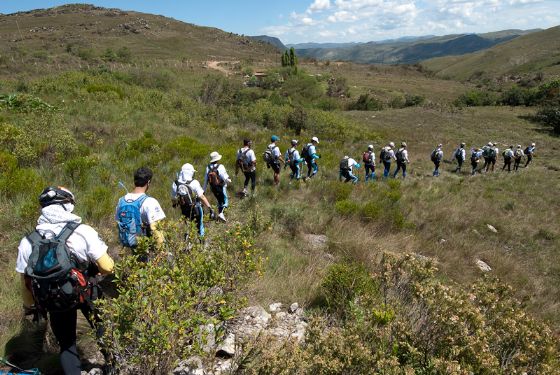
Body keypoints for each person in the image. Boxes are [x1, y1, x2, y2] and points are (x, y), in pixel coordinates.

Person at [16, 187, 115, 375]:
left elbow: (26, 280)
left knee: (67, 345)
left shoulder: (27, 241)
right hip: (87, 291)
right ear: (67, 205)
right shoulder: (82, 231)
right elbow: (107, 267)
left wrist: (29, 305)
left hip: (53, 298)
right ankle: (113, 366)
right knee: (102, 329)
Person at [116, 167, 165, 250]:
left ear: (135, 181)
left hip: (131, 246)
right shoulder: (150, 202)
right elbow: (156, 229)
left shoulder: (121, 201)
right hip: (146, 247)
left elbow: (118, 221)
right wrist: (162, 251)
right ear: (148, 182)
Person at [172, 163, 215, 238]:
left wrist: (175, 204)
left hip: (184, 210)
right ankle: (201, 243)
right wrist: (210, 208)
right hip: (196, 209)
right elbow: (202, 196)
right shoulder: (194, 182)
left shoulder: (175, 184)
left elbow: (173, 199)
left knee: (188, 227)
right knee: (200, 227)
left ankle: (188, 242)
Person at [203, 151, 231, 222]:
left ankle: (220, 214)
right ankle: (221, 214)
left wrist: (204, 190)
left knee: (219, 201)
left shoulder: (208, 167)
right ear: (217, 159)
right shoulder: (220, 166)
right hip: (221, 186)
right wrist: (228, 180)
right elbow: (224, 177)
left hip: (213, 188)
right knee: (225, 201)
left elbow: (206, 180)